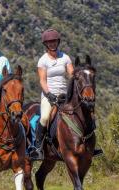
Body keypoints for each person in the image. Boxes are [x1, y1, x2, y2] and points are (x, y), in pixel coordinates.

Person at [30, 29, 74, 160]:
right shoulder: (43, 61)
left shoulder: (65, 58)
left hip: (65, 95)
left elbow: (71, 74)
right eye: (49, 42)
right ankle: (37, 148)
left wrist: (74, 82)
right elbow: (42, 80)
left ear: (58, 42)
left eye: (54, 41)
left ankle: (88, 144)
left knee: (81, 112)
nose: (52, 44)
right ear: (45, 44)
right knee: (44, 117)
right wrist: (49, 94)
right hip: (49, 96)